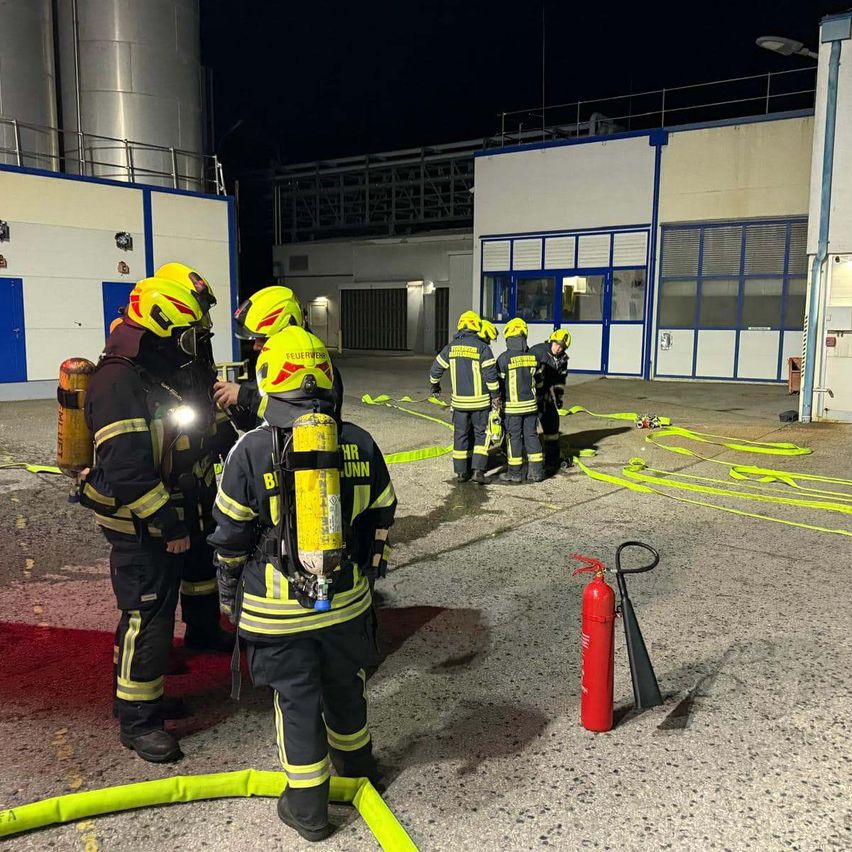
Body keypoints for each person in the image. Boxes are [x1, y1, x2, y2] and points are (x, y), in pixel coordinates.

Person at [209, 327, 396, 842]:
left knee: (297, 702)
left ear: (271, 379)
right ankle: (359, 774)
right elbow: (383, 512)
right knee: (346, 688)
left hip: (277, 612)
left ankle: (309, 812)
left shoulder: (250, 449)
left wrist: (228, 592)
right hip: (348, 601)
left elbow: (227, 536)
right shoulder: (358, 439)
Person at [80, 276, 231, 763]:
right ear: (161, 325)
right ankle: (137, 720)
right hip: (143, 524)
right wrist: (168, 525)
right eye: (189, 333)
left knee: (193, 583)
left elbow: (199, 424)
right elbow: (126, 468)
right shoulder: (118, 380)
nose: (196, 344)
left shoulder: (164, 367)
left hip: (182, 507)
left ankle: (202, 635)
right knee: (147, 618)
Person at [213, 285, 344, 425]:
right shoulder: (272, 366)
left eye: (262, 338)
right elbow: (258, 420)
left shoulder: (319, 370)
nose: (256, 346)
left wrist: (245, 396)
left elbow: (302, 417)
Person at [429, 311, 501, 484]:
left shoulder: (451, 347)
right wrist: (496, 396)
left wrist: (435, 386)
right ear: (476, 326)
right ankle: (478, 472)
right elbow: (491, 376)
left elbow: (435, 370)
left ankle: (461, 473)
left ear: (460, 326)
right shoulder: (483, 348)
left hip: (459, 404)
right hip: (480, 404)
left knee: (460, 436)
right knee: (481, 435)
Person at [496, 318, 549, 484]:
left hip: (512, 409)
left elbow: (498, 385)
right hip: (531, 407)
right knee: (532, 436)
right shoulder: (532, 357)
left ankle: (515, 473)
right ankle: (536, 472)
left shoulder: (503, 359)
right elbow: (539, 382)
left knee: (514, 439)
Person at [529, 329, 572, 474]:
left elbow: (560, 381)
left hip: (546, 396)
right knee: (527, 428)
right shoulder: (537, 352)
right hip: (531, 396)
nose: (558, 348)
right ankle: (521, 460)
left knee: (553, 423)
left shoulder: (563, 359)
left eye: (562, 347)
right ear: (551, 340)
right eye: (557, 344)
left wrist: (559, 398)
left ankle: (552, 459)